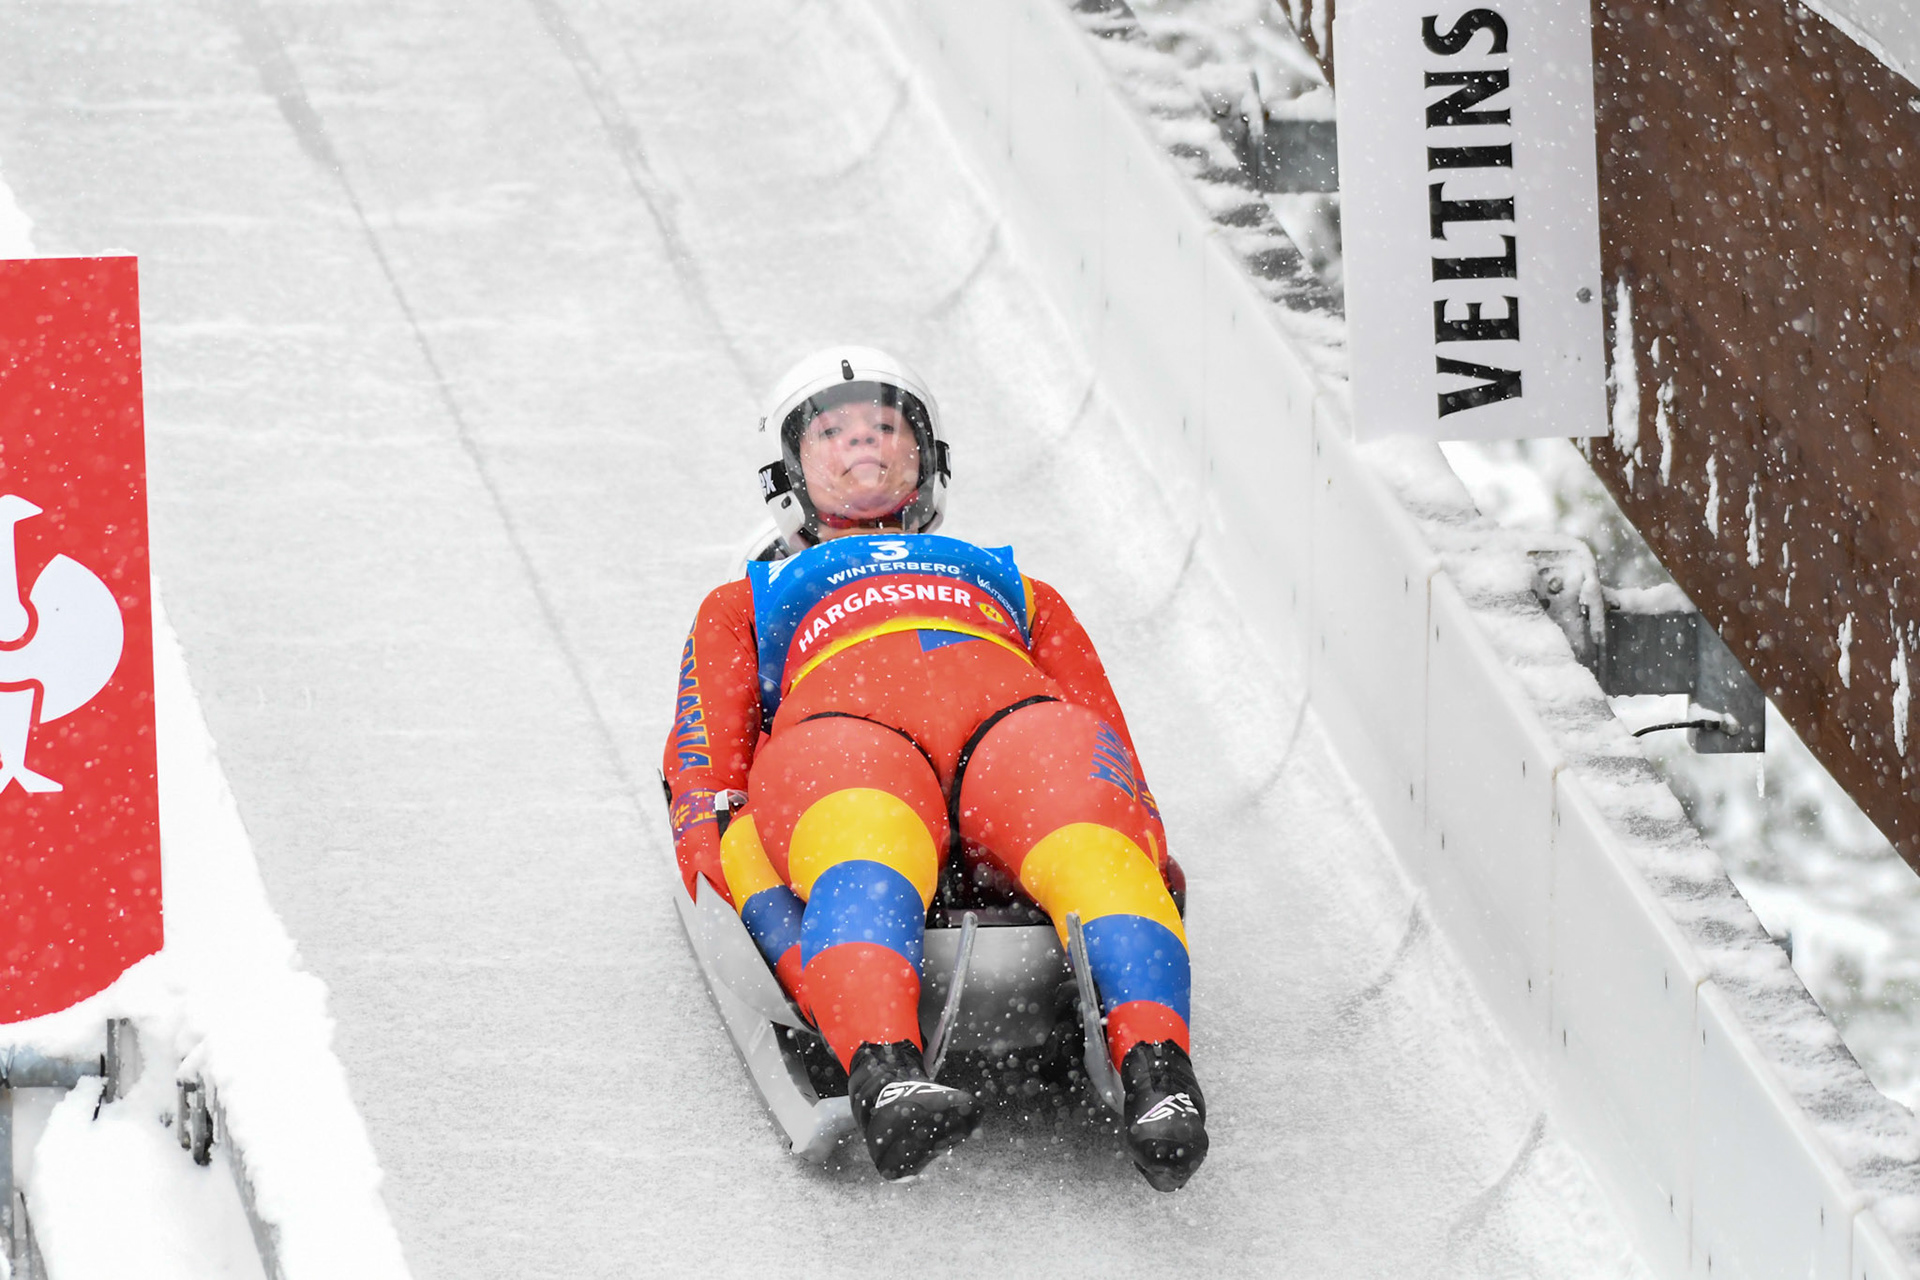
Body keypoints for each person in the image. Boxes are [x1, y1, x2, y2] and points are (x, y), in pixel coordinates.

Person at [663, 346, 1206, 1189]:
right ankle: (886, 1071)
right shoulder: (747, 598)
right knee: (862, 842)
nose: (863, 444)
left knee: (1094, 843)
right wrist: (723, 860)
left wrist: (1149, 848)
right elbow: (705, 762)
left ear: (928, 457)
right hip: (847, 731)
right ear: (789, 472)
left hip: (1015, 725)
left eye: (885, 427)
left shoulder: (1021, 586)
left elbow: (1104, 732)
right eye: (833, 434)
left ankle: (1160, 1076)